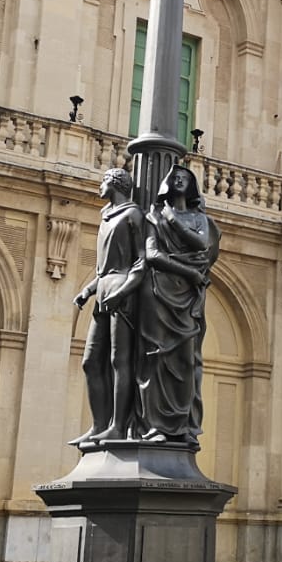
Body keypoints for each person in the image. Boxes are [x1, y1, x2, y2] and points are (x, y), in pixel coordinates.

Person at [138, 164, 220, 446]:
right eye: (175, 178)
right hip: (160, 291)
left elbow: (201, 245)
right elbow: (151, 254)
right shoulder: (154, 216)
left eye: (185, 178)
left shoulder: (200, 219)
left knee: (187, 361)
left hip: (188, 297)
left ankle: (183, 427)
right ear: (166, 185)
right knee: (156, 357)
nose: (180, 181)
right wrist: (189, 271)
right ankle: (154, 426)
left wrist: (173, 220)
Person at [74, 167, 146, 445]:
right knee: (91, 361)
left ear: (116, 183)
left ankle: (118, 427)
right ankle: (98, 424)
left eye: (104, 180)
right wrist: (88, 289)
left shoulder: (133, 215)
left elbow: (141, 263)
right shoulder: (105, 216)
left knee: (119, 361)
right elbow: (103, 267)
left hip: (121, 292)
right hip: (103, 289)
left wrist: (124, 290)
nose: (99, 185)